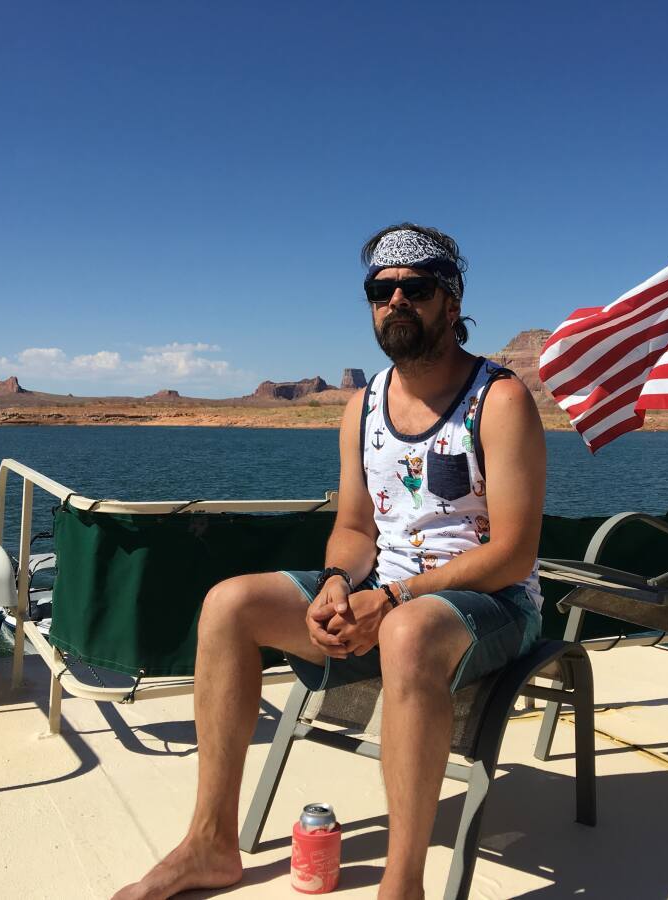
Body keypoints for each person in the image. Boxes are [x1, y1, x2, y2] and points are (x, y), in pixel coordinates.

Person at [114, 224, 546, 900]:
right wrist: (339, 582)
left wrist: (394, 600)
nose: (396, 301)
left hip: (494, 602)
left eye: (416, 288)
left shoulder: (500, 400)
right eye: (381, 290)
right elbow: (353, 527)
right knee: (229, 604)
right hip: (386, 594)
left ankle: (401, 886)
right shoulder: (363, 407)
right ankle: (210, 844)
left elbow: (513, 553)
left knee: (406, 632)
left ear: (452, 300)